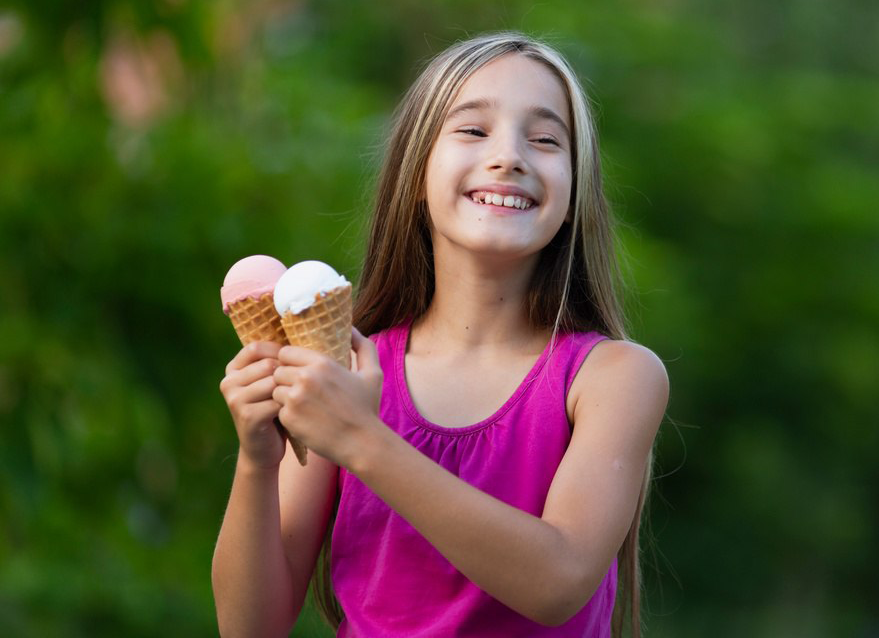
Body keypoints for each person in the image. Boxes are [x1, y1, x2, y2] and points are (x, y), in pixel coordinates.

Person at [212, 32, 669, 637]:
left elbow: (558, 582)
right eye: (474, 131)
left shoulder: (614, 378)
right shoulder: (346, 367)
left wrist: (360, 439)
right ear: (416, 170)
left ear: (574, 193)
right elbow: (251, 628)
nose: (509, 156)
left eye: (546, 139)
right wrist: (256, 460)